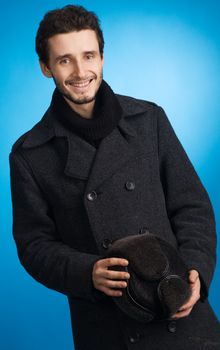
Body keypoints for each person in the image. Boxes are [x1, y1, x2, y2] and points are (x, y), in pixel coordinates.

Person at [9, 5, 220, 350]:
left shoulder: (148, 120)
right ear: (46, 67)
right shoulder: (30, 153)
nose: (80, 71)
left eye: (88, 55)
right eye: (64, 60)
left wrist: (196, 271)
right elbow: (34, 246)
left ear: (102, 58)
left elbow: (192, 206)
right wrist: (87, 272)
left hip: (180, 310)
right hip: (108, 328)